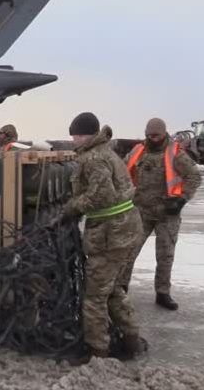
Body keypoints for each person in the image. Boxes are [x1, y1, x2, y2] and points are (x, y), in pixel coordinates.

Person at [62, 112, 146, 364]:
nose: (73, 140)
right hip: (123, 231)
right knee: (112, 289)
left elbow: (100, 197)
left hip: (111, 235)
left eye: (75, 135)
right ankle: (131, 340)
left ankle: (98, 351)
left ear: (84, 135)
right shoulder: (106, 152)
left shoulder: (94, 159)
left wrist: (71, 209)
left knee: (95, 295)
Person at [117, 118, 202, 310]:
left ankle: (163, 293)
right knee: (129, 251)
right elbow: (122, 171)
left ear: (164, 133)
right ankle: (121, 289)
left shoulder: (175, 153)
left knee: (165, 255)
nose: (152, 138)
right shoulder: (138, 151)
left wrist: (182, 199)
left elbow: (194, 177)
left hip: (167, 213)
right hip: (141, 212)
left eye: (156, 135)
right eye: (149, 134)